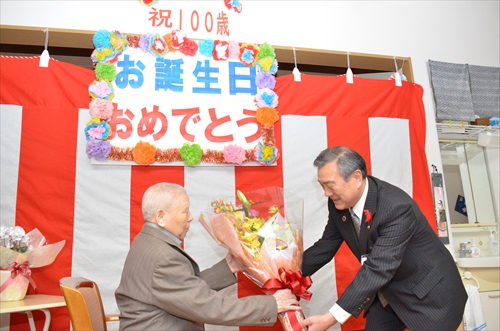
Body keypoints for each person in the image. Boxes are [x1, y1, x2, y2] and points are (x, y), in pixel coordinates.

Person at [300, 146, 467, 331]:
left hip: (428, 295)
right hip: (387, 292)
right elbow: (326, 245)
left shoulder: (396, 207)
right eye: (321, 185)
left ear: (356, 177)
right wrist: (287, 276)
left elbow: (378, 268)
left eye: (330, 185)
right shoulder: (338, 205)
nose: (326, 193)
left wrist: (330, 318)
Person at [115, 182, 299, 331]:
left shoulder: (147, 241)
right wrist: (273, 304)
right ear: (161, 216)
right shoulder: (162, 257)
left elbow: (181, 289)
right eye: (185, 211)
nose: (190, 217)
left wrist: (230, 267)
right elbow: (207, 306)